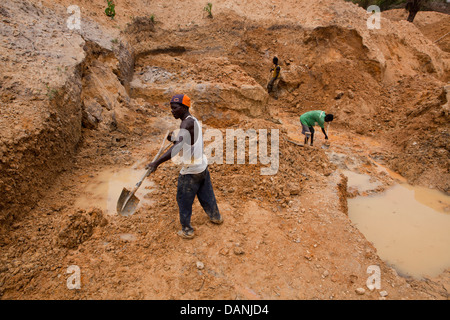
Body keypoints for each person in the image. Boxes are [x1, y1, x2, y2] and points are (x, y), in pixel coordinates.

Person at [145, 94, 223, 239]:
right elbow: (186, 139)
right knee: (206, 194)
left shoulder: (185, 124)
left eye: (175, 108)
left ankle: (187, 230)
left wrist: (156, 163)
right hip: (201, 166)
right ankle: (215, 216)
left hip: (190, 171)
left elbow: (177, 148)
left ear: (184, 107)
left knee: (183, 199)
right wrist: (174, 138)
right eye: (171, 108)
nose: (172, 111)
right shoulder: (193, 120)